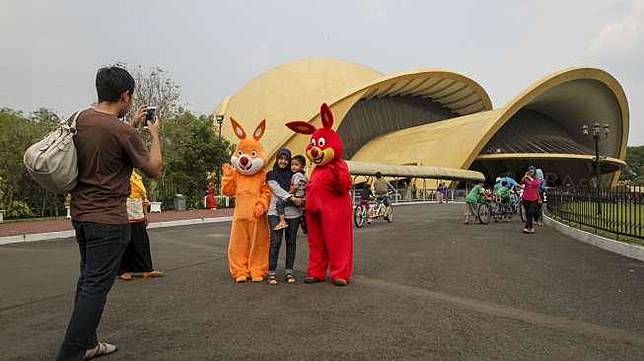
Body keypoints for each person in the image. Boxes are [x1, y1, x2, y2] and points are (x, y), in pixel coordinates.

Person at [57, 66, 162, 361]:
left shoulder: (78, 119)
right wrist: (153, 134)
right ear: (125, 95)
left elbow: (104, 144)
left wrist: (131, 124)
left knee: (87, 280)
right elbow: (153, 169)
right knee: (96, 287)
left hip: (81, 215)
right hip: (108, 220)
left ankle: (87, 344)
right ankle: (71, 353)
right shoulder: (122, 131)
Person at [266, 149, 304, 285]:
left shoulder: (293, 175)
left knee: (291, 242)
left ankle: (289, 271)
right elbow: (276, 190)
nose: (283, 161)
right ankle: (271, 272)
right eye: (281, 158)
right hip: (275, 213)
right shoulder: (271, 174)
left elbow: (302, 186)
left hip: (293, 213)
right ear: (277, 159)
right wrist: (292, 198)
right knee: (275, 242)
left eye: (286, 159)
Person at [118, 170, 163, 281]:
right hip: (124, 212)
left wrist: (145, 214)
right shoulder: (117, 174)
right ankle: (124, 270)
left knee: (142, 242)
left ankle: (146, 269)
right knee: (126, 242)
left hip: (138, 212)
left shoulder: (136, 177)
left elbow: (143, 197)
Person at [273, 155, 308, 231]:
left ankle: (282, 221)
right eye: (292, 165)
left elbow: (295, 187)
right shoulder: (303, 176)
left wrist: (288, 193)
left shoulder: (297, 175)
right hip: (302, 198)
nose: (293, 167)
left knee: (279, 203)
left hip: (297, 197)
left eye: (296, 165)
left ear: (302, 167)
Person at [521, 167, 541, 234]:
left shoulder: (535, 179)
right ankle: (531, 227)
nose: (531, 173)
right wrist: (525, 176)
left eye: (532, 172)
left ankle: (526, 227)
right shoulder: (526, 178)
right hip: (525, 197)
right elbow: (522, 181)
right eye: (530, 171)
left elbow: (536, 184)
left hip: (533, 198)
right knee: (527, 213)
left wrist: (530, 178)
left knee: (531, 212)